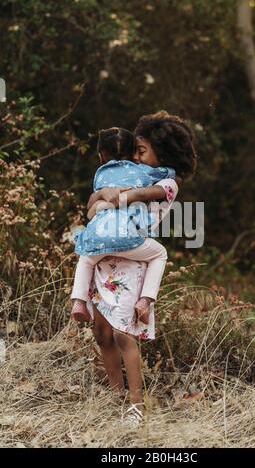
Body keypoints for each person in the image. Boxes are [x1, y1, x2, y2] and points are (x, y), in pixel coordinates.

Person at [86, 111, 197, 427]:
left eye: (141, 151)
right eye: (134, 150)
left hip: (132, 264)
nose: (134, 157)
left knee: (123, 332)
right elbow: (93, 207)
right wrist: (101, 198)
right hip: (106, 258)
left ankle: (136, 405)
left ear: (163, 154)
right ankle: (116, 396)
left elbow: (135, 197)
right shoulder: (133, 173)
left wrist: (114, 196)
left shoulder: (168, 182)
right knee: (102, 330)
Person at [71, 127, 176, 323]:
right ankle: (145, 300)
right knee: (160, 254)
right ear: (132, 153)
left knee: (85, 260)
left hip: (98, 237)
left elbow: (91, 206)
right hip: (129, 237)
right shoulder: (142, 171)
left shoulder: (100, 175)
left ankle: (78, 301)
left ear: (101, 156)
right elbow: (165, 174)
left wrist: (104, 195)